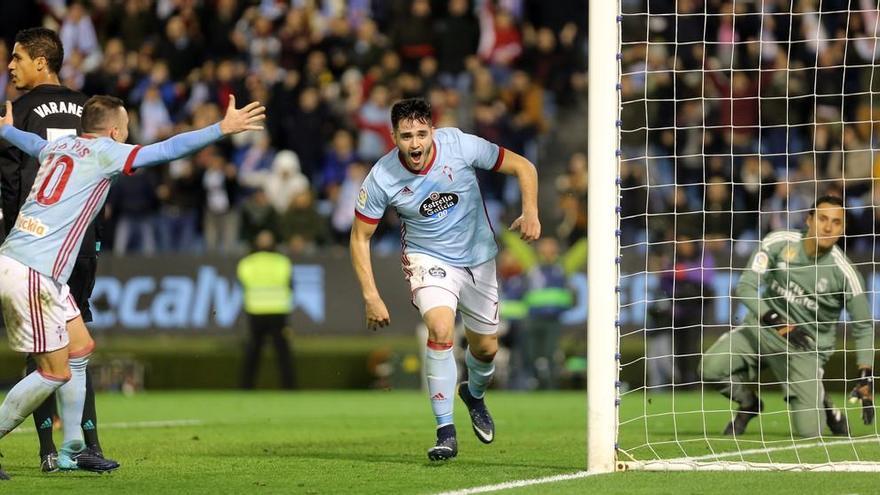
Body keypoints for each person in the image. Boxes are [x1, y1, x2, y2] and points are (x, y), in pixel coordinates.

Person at [0, 93, 264, 479]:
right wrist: (221, 129)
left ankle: (73, 447)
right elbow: (169, 150)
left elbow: (33, 143)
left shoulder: (60, 146)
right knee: (54, 372)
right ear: (113, 130)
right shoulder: (107, 152)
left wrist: (8, 130)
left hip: (36, 270)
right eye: (125, 129)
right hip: (31, 271)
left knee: (80, 348)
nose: (128, 136)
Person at [350, 97, 540, 461]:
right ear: (393, 137)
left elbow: (524, 166)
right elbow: (360, 237)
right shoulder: (381, 178)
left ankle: (474, 394)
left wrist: (530, 211)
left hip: (479, 258)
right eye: (406, 136)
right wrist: (371, 295)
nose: (416, 144)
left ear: (433, 131)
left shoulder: (460, 145)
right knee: (440, 329)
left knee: (485, 349)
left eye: (422, 134)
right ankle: (445, 432)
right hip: (429, 259)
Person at [0, 26, 115, 473]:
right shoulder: (88, 107)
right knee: (75, 342)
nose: (10, 66)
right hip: (81, 241)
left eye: (17, 58)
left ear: (41, 62)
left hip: (30, 243)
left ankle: (49, 450)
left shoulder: (15, 111)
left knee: (45, 347)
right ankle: (88, 446)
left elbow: (12, 177)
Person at [701, 196, 874, 438]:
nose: (827, 227)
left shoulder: (845, 273)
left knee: (810, 432)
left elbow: (864, 326)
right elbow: (746, 286)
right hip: (762, 331)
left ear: (843, 229)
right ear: (808, 220)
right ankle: (749, 404)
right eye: (822, 219)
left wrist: (865, 375)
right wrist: (774, 320)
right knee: (709, 368)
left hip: (804, 349)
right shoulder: (779, 242)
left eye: (836, 223)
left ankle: (823, 401)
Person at [237, 229, 295, 389]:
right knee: (283, 353)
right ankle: (289, 387)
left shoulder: (247, 263)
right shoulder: (282, 261)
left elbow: (242, 283)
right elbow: (291, 285)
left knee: (253, 352)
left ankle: (246, 387)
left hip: (256, 310)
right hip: (278, 310)